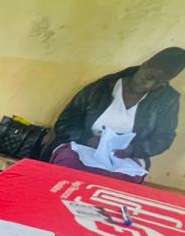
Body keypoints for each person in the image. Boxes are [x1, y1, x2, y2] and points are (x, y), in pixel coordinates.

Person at [45, 48, 185, 183]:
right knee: (69, 170)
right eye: (149, 77)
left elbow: (163, 138)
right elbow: (65, 121)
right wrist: (87, 139)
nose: (149, 84)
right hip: (82, 147)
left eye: (158, 83)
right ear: (144, 65)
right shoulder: (103, 86)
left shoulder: (167, 99)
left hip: (125, 158)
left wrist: (133, 149)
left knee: (118, 182)